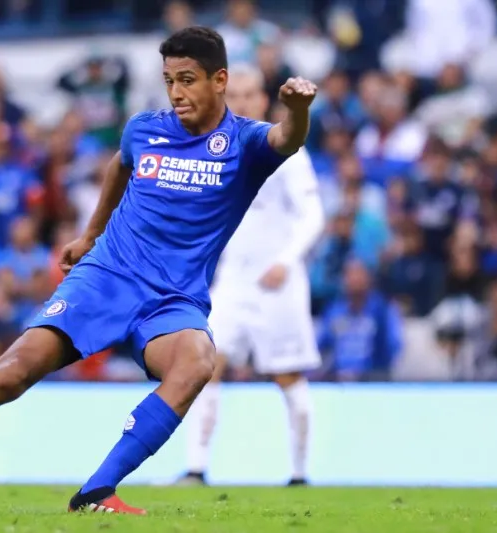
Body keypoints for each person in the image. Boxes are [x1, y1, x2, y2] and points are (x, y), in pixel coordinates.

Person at [0, 26, 317, 514]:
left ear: (219, 79)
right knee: (11, 374)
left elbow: (287, 139)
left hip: (172, 298)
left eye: (188, 80)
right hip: (107, 276)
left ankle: (97, 491)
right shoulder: (144, 128)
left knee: (197, 363)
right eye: (169, 81)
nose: (177, 93)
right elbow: (120, 167)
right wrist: (90, 234)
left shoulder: (245, 144)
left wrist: (297, 109)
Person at [178, 66, 325, 487]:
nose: (240, 102)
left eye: (248, 94)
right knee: (204, 366)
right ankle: (195, 469)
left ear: (264, 99)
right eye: (233, 95)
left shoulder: (286, 151)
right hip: (232, 283)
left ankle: (299, 473)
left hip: (277, 283)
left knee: (288, 376)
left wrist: (287, 259)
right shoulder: (215, 150)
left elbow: (313, 215)